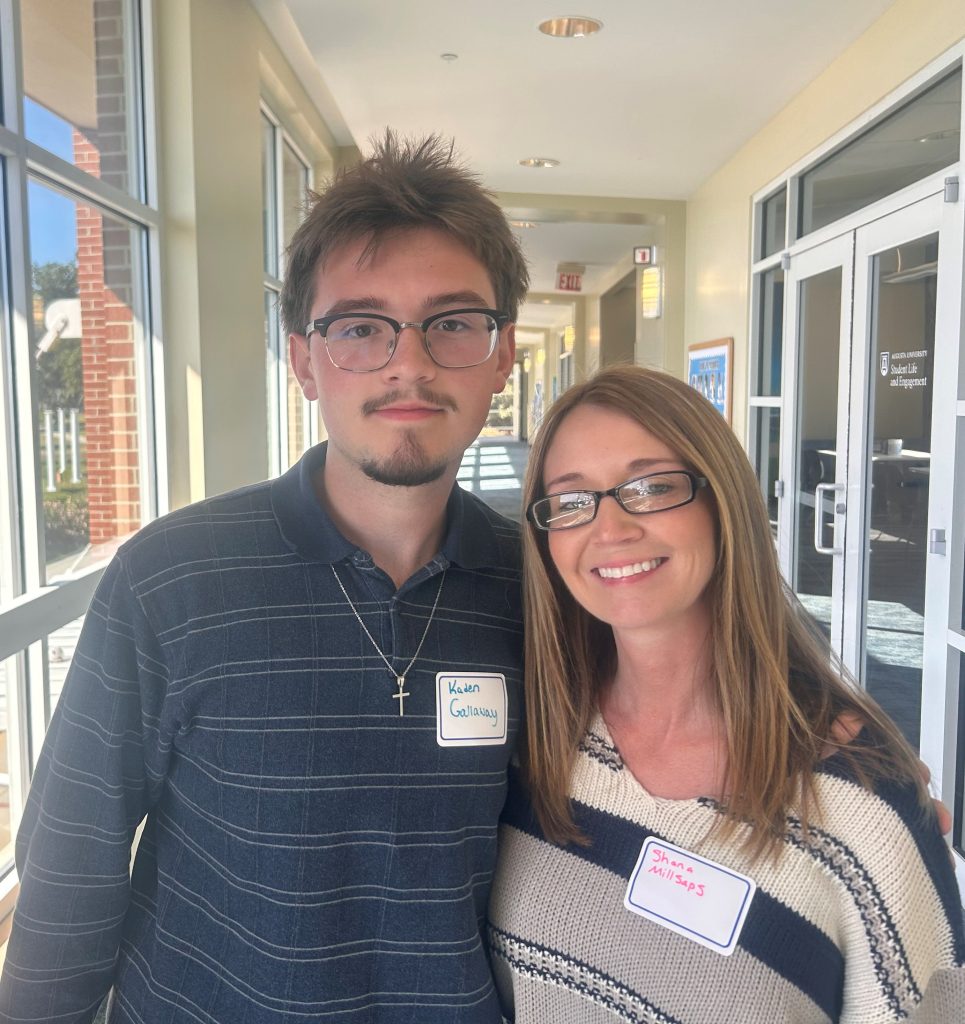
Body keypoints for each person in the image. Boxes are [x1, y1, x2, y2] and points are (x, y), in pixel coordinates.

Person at [0, 134, 529, 1023]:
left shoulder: (542, 589)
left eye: (451, 323)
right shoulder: (171, 581)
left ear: (502, 353)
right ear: (302, 358)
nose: (409, 361)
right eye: (360, 326)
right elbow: (71, 869)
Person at [488, 365, 964, 1023]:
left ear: (723, 503)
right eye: (571, 501)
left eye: (650, 486)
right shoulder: (532, 746)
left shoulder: (858, 799)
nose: (611, 528)